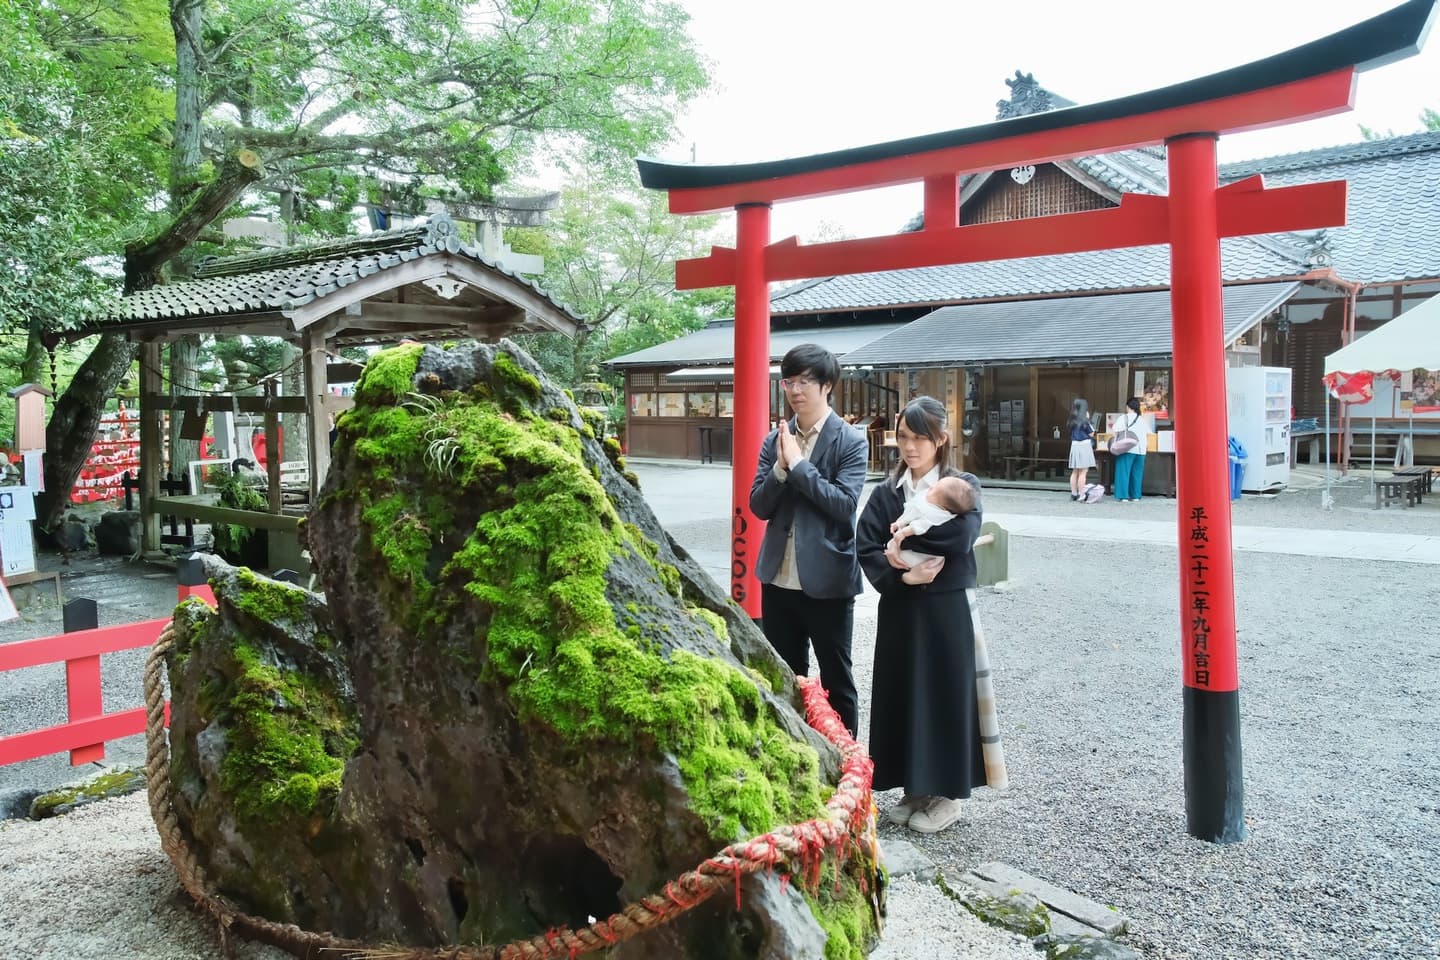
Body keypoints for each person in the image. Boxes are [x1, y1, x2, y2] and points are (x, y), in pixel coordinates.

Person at [857, 396, 993, 834]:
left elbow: (963, 536)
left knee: (945, 694)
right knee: (903, 692)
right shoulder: (886, 492)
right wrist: (903, 577)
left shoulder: (960, 484)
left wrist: (899, 542)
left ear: (941, 439)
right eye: (903, 438)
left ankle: (948, 795)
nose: (910, 447)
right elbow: (865, 544)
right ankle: (914, 788)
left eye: (920, 438)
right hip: (901, 606)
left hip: (946, 607)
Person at [749, 343, 868, 736]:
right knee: (784, 675)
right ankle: (793, 758)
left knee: (837, 681)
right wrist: (780, 470)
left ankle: (847, 769)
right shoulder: (774, 440)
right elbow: (759, 506)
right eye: (789, 381)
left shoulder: (850, 440)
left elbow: (843, 505)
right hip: (779, 578)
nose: (795, 390)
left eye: (805, 381)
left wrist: (798, 466)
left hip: (827, 581)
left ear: (827, 385)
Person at [887, 474, 976, 568]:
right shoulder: (931, 500)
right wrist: (899, 523)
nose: (930, 487)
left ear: (940, 505)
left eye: (933, 490)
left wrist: (903, 533)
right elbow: (911, 513)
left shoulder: (936, 514)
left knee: (902, 556)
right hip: (919, 551)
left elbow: (919, 526)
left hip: (922, 557)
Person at [1111, 397, 1151, 502]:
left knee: (1123, 472)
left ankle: (1123, 496)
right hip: (1141, 450)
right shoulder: (1142, 419)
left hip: (1127, 448)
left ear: (1128, 407)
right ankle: (1135, 495)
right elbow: (1149, 433)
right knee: (1137, 474)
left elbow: (1115, 430)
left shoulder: (1124, 418)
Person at [1066, 397, 1096, 501]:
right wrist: (1088, 419)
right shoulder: (1085, 420)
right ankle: (1082, 494)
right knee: (1083, 471)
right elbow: (1092, 433)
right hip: (1084, 445)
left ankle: (1074, 494)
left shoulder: (1071, 419)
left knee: (1075, 471)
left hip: (1074, 445)